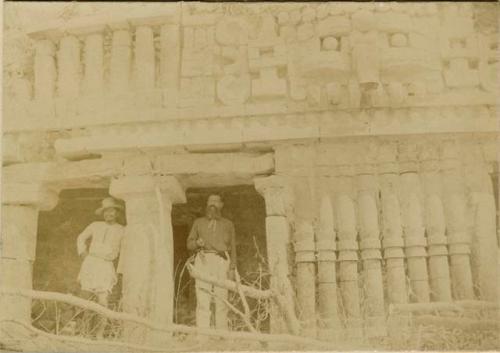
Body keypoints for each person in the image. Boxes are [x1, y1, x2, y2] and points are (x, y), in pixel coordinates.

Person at [76, 197, 125, 337]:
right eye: (106, 212)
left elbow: (124, 249)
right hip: (91, 263)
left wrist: (119, 268)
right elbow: (81, 237)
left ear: (117, 213)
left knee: (103, 300)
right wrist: (83, 253)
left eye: (111, 211)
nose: (108, 214)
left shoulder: (122, 230)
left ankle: (99, 334)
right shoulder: (95, 225)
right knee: (86, 299)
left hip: (105, 265)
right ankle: (85, 332)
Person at [187, 194, 237, 330]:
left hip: (222, 261)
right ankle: (203, 334)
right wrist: (197, 243)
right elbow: (189, 244)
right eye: (210, 201)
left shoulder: (228, 224)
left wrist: (232, 268)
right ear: (207, 205)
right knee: (203, 298)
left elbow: (233, 247)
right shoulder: (198, 222)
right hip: (203, 260)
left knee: (222, 297)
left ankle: (222, 333)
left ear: (221, 205)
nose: (212, 204)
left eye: (216, 201)